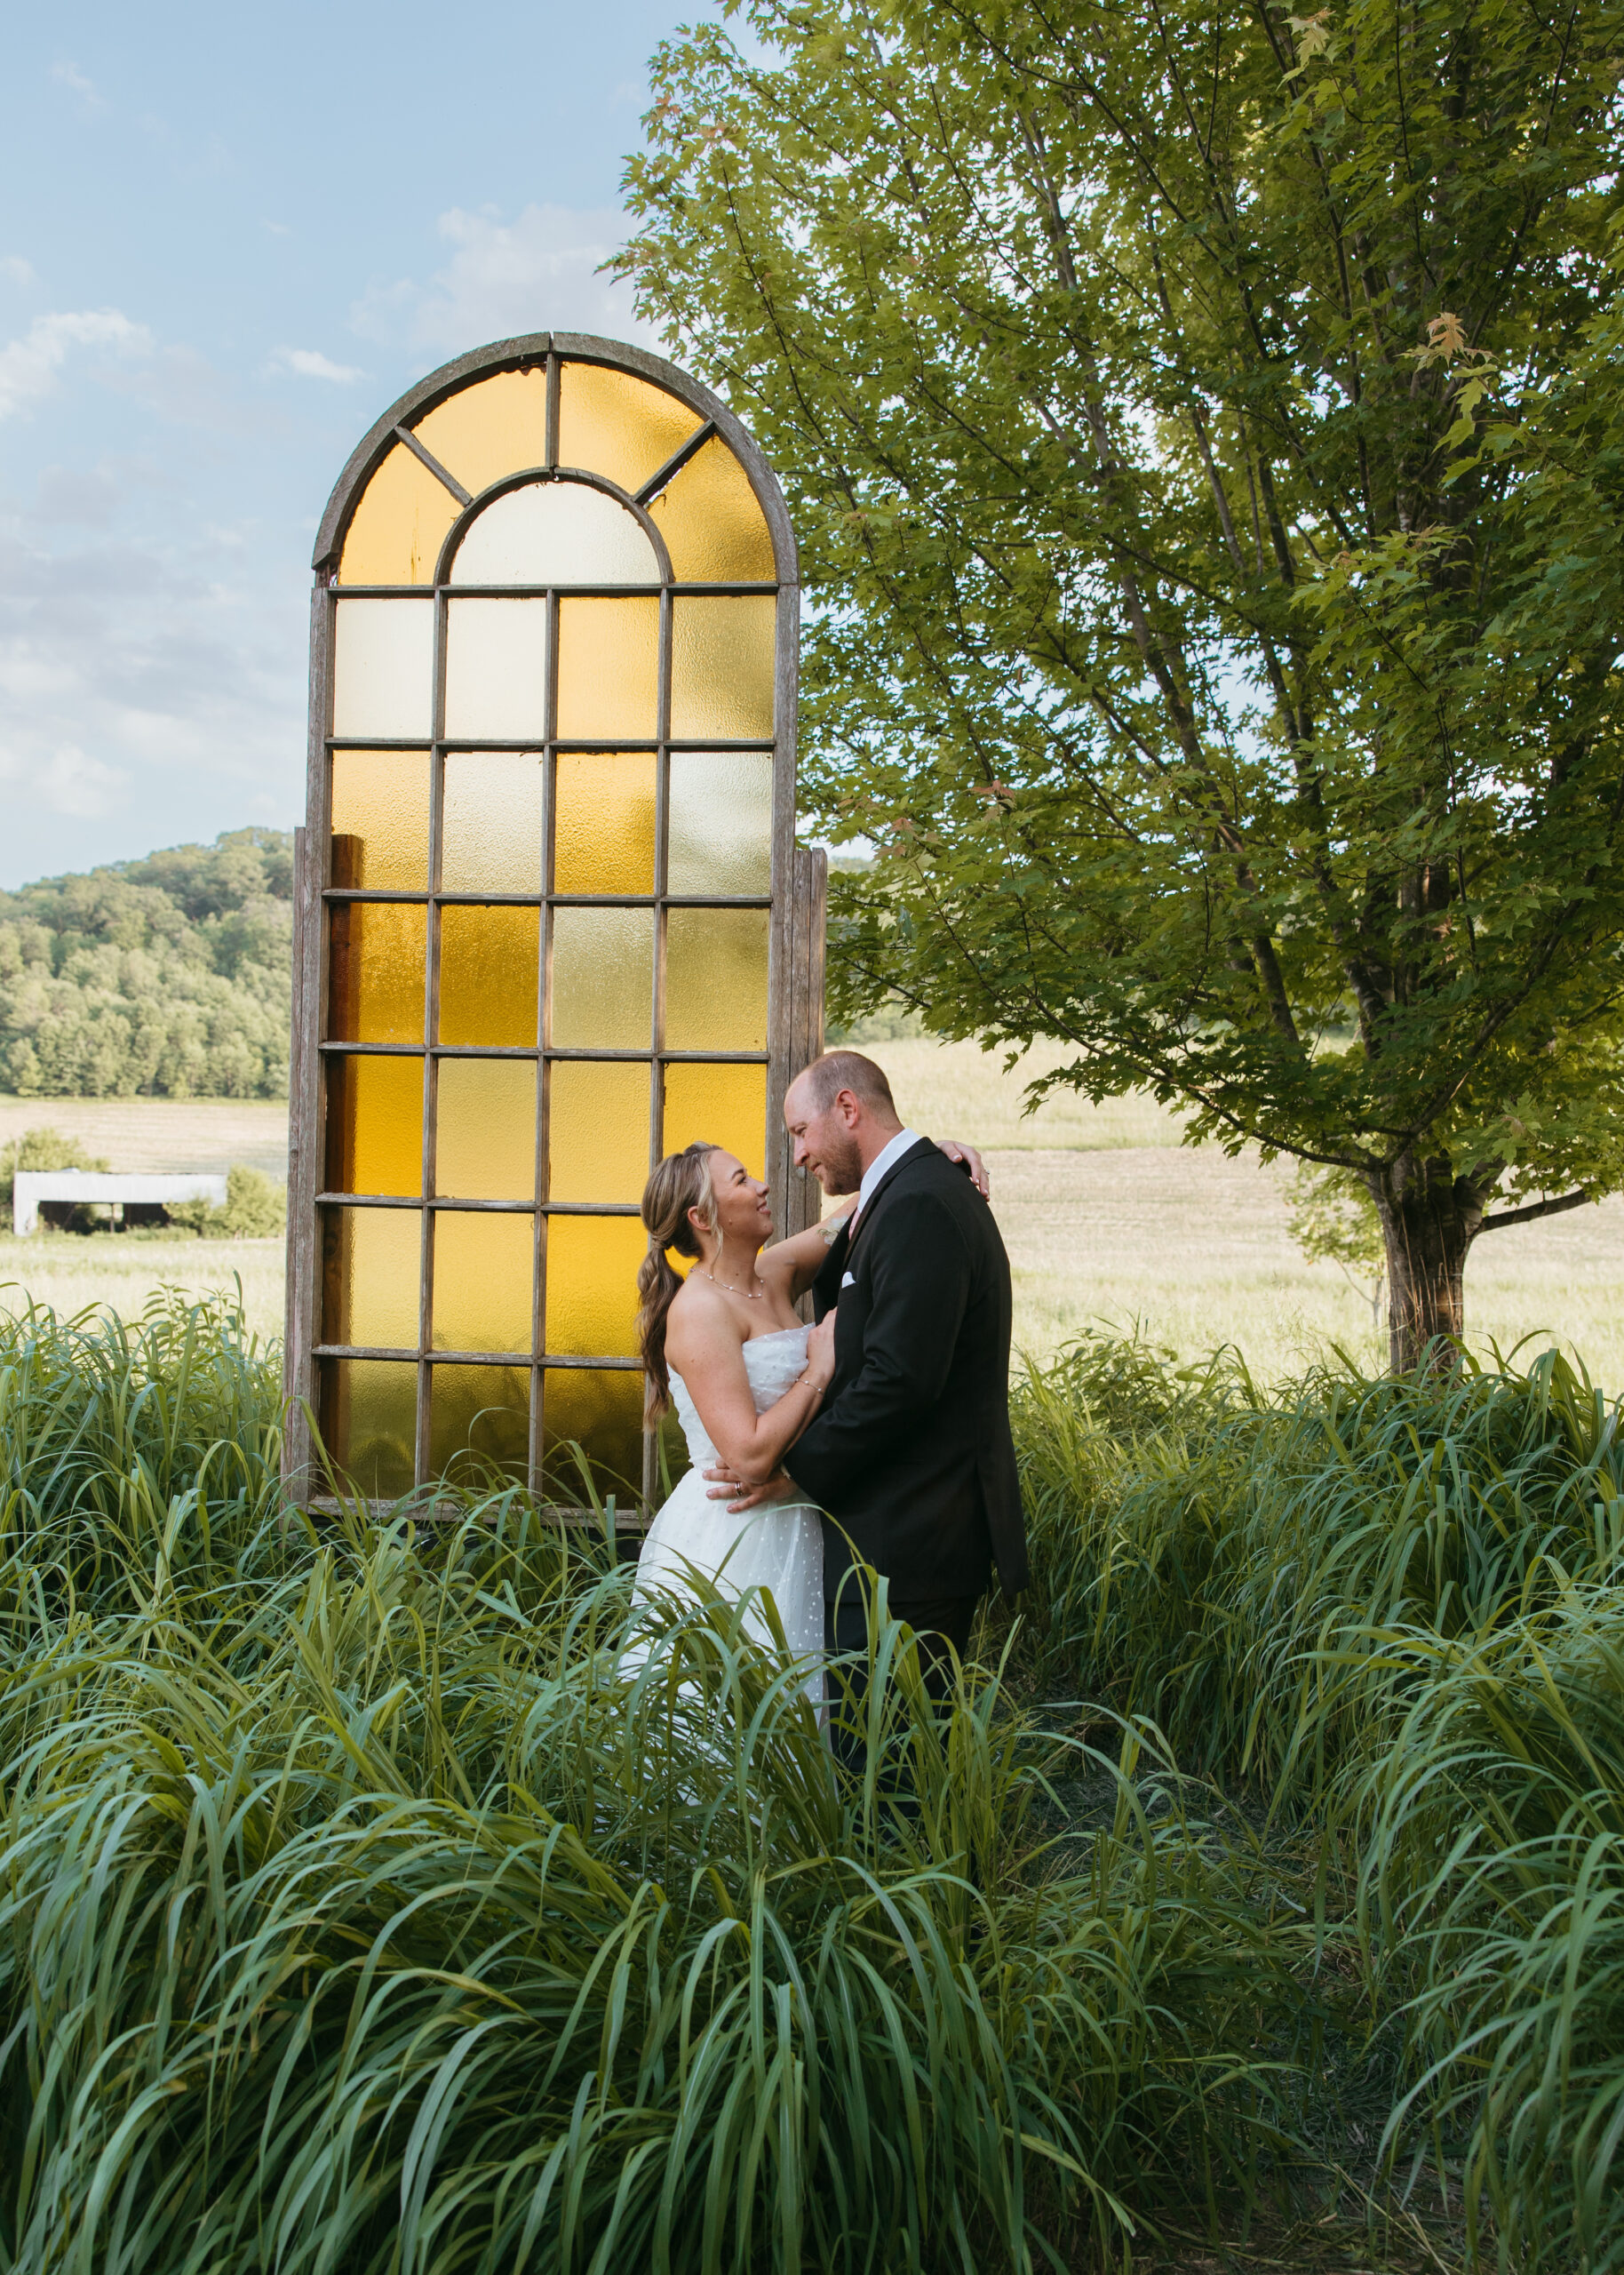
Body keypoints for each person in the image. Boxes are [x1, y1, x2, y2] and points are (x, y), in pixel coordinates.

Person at [703, 1050, 1028, 1760]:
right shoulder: (900, 1195)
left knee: (889, 1772)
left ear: (847, 1109)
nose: (794, 1157)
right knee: (875, 1761)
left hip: (910, 1541)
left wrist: (795, 1472)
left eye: (800, 1132)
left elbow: (899, 1379)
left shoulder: (919, 1203)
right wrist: (931, 1152)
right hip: (889, 1536)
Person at [631, 1124, 991, 1680]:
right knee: (747, 1696)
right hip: (737, 1532)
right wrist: (818, 1370)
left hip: (800, 1513)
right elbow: (750, 1456)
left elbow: (858, 1209)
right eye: (741, 1181)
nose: (762, 1186)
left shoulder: (772, 1274)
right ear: (703, 1218)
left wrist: (928, 1156)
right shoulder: (701, 1312)